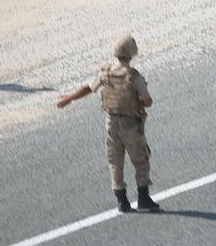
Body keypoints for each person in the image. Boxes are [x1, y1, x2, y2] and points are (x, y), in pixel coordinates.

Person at [57, 34, 161, 213]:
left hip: (111, 122)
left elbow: (89, 88)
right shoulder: (134, 76)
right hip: (131, 124)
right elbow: (147, 101)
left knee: (115, 161)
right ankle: (143, 198)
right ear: (132, 53)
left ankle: (122, 201)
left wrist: (69, 98)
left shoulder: (106, 73)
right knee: (140, 159)